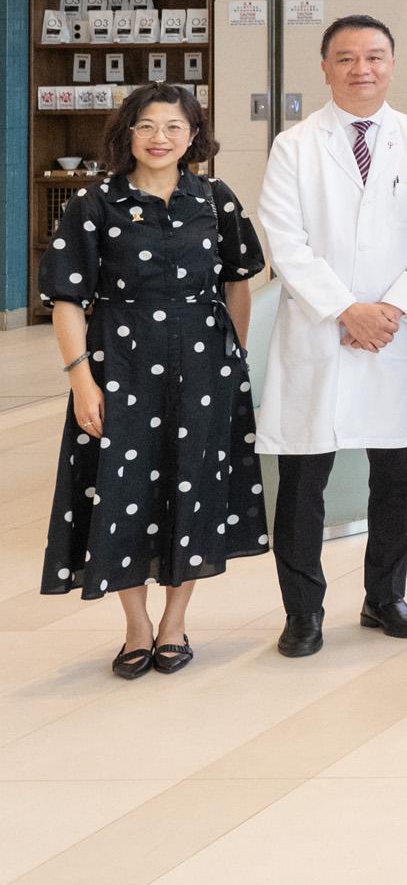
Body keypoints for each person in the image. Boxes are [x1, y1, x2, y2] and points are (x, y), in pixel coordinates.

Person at [39, 85, 267, 678]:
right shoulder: (94, 203)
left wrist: (235, 357)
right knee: (122, 490)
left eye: (173, 126)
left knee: (194, 487)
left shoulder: (214, 198)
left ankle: (174, 623)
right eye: (146, 126)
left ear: (194, 136)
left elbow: (238, 280)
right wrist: (81, 382)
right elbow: (66, 299)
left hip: (205, 368)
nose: (159, 138)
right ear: (127, 133)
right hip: (121, 366)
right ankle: (136, 624)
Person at [259, 15, 407, 656]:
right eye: (346, 58)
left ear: (392, 63)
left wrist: (390, 308)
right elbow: (285, 241)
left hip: (392, 334)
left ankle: (384, 597)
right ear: (325, 66)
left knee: (396, 479)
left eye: (374, 56)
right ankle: (302, 612)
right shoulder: (294, 146)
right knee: (302, 484)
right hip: (320, 334)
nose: (361, 69)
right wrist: (346, 310)